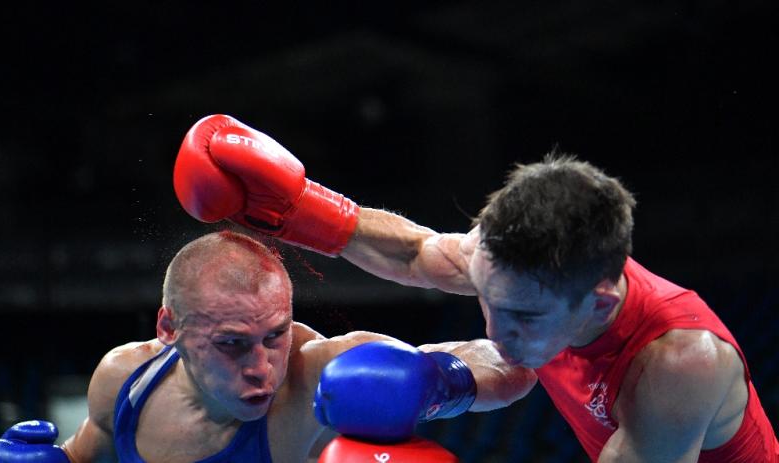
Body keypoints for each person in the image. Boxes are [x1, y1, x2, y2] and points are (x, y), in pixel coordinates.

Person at [173, 114, 779, 462]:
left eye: (521, 317)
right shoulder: (526, 275)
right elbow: (413, 252)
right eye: (486, 296)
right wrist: (294, 209)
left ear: (601, 303)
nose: (496, 328)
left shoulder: (679, 365)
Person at [0, 230, 537, 463]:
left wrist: (438, 382)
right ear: (169, 330)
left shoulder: (318, 374)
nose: (261, 368)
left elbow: (510, 364)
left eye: (275, 335)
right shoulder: (124, 379)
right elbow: (81, 455)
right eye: (231, 344)